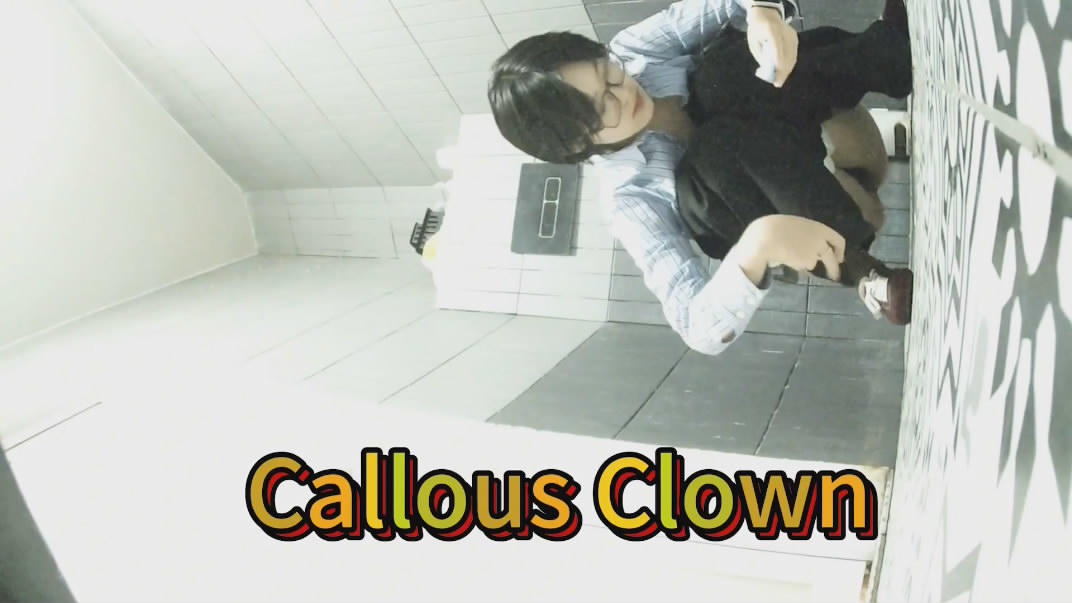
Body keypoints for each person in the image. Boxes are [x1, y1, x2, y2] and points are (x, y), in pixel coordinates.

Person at [487, 0, 913, 356]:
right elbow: (697, 327)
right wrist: (758, 245)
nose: (625, 92)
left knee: (719, 72)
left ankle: (888, 52)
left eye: (608, 72)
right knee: (712, 144)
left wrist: (762, 11)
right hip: (789, 216)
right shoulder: (629, 200)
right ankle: (866, 276)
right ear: (578, 146)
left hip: (798, 131)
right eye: (603, 107)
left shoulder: (634, 51)